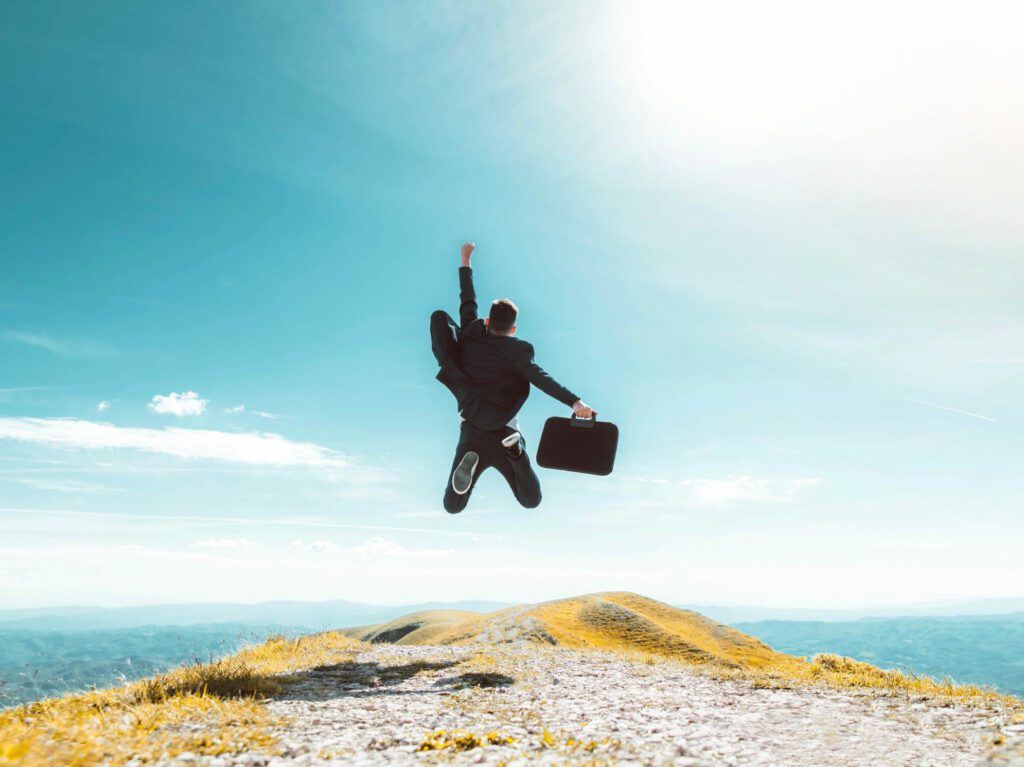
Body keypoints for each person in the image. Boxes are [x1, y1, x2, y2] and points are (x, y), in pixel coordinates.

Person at [430, 242, 595, 513]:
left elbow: (467, 299)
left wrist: (465, 259)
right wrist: (575, 403)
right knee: (531, 500)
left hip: (471, 430)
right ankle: (516, 453)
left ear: (486, 321)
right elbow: (540, 377)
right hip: (506, 432)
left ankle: (473, 463)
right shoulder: (518, 351)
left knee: (452, 506)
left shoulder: (471, 333)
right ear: (513, 328)